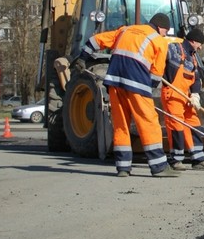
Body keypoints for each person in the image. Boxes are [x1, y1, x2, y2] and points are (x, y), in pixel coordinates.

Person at [72, 13, 180, 178]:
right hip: (137, 85)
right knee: (149, 123)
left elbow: (96, 40)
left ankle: (123, 167)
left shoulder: (125, 30)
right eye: (165, 31)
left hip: (114, 83)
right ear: (160, 27)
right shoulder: (159, 41)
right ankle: (159, 166)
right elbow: (156, 75)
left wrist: (82, 58)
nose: (165, 35)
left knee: (121, 124)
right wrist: (149, 88)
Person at [161, 28, 204, 172]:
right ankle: (176, 160)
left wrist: (195, 94)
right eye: (199, 44)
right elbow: (156, 60)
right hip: (172, 94)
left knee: (194, 123)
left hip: (186, 97)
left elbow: (197, 78)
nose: (200, 47)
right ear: (193, 41)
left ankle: (198, 159)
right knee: (176, 126)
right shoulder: (173, 49)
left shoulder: (193, 56)